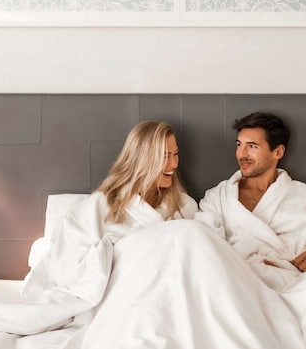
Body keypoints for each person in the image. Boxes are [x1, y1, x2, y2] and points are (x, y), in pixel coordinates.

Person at [21, 120, 197, 319]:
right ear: (143, 159)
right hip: (119, 294)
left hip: (163, 296)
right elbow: (66, 258)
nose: (174, 164)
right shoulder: (102, 204)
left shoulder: (184, 206)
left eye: (176, 154)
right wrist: (106, 255)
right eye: (165, 156)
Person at [196, 111, 306, 289]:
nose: (242, 154)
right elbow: (203, 247)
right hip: (238, 282)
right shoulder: (217, 198)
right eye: (239, 145)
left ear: (278, 152)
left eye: (252, 146)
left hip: (295, 283)